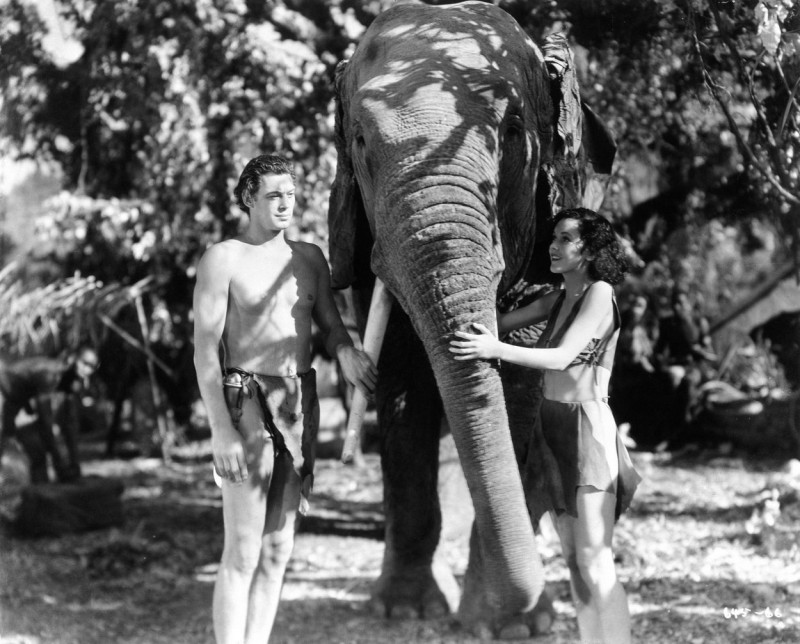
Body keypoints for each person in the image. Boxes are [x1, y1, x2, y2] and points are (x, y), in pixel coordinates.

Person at [193, 154, 377, 644]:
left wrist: (347, 354)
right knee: (243, 550)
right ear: (248, 197)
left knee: (278, 552)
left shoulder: (309, 258)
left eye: (290, 195)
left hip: (299, 402)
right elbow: (204, 350)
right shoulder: (222, 258)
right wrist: (220, 429)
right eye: (274, 195)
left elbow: (332, 329)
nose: (285, 204)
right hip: (244, 398)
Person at [449, 207, 641, 644]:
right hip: (550, 428)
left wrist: (493, 348)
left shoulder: (600, 293)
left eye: (567, 239)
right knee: (573, 562)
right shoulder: (558, 298)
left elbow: (560, 357)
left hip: (587, 430)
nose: (555, 246)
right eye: (554, 237)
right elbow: (495, 323)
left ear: (590, 249)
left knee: (596, 562)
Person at [0, 345, 98, 483]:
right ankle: (38, 494)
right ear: (72, 359)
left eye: (93, 366)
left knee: (37, 451)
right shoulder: (50, 374)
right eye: (85, 363)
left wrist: (74, 463)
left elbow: (70, 423)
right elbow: (45, 421)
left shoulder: (70, 381)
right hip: (4, 393)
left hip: (19, 400)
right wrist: (60, 464)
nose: (87, 369)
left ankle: (43, 492)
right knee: (32, 447)